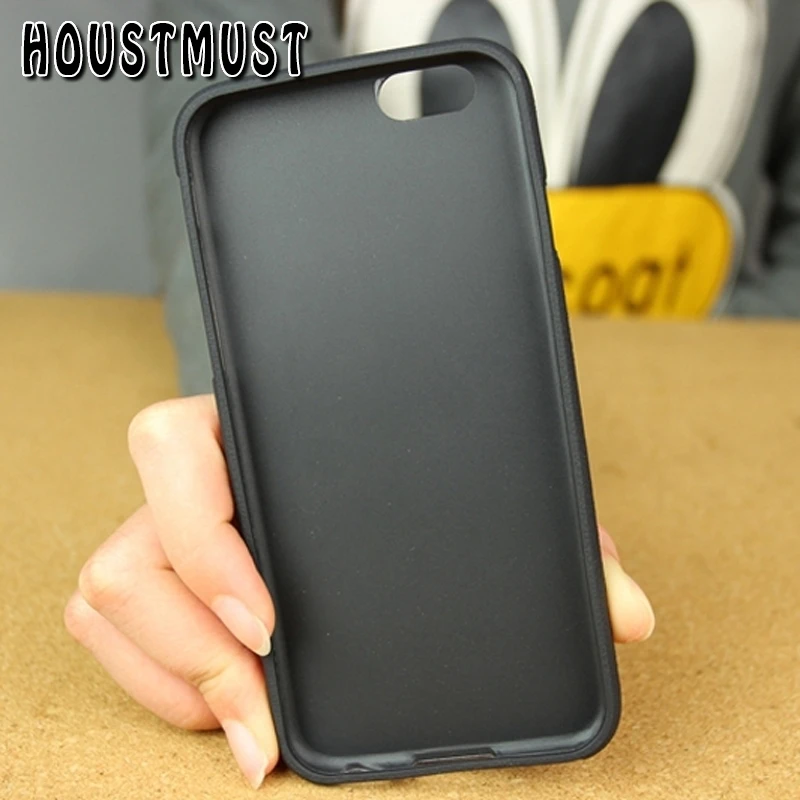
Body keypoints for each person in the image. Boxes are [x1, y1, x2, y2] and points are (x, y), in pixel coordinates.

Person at [66, 0, 800, 789]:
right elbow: (230, 102)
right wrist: (253, 425)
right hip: (354, 360)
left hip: (726, 386)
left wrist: (720, 379)